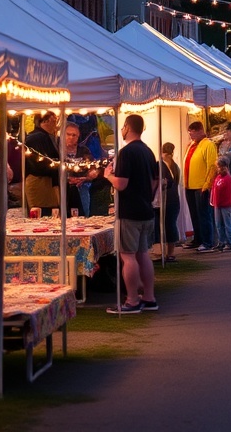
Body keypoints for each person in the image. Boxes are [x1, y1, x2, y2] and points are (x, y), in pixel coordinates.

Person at [103, 114, 158, 314]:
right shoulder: (148, 151)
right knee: (143, 254)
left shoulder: (126, 152)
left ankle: (132, 300)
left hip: (129, 212)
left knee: (128, 257)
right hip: (146, 209)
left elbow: (121, 183)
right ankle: (149, 297)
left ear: (127, 126)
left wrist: (108, 175)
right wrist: (147, 196)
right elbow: (155, 181)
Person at [184, 120, 218, 252]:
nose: (190, 135)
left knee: (204, 215)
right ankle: (198, 239)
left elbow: (212, 166)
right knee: (195, 214)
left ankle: (208, 241)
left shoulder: (208, 145)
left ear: (200, 131)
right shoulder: (192, 145)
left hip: (201, 186)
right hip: (190, 185)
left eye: (192, 132)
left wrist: (207, 184)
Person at [24, 111, 61, 216]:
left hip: (48, 182)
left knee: (51, 211)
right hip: (40, 182)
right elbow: (38, 163)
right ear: (46, 121)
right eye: (55, 120)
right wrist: (57, 165)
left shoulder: (46, 137)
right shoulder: (36, 137)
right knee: (43, 213)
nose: (56, 124)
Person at [63, 121, 102, 218]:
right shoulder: (57, 150)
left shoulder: (84, 151)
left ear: (78, 137)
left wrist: (88, 177)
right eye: (68, 134)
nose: (71, 137)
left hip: (81, 186)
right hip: (63, 188)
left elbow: (94, 167)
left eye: (74, 135)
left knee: (83, 214)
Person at [156, 142, 181, 262]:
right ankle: (170, 253)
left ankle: (164, 253)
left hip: (165, 199)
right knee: (171, 225)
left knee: (163, 226)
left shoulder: (160, 165)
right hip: (175, 199)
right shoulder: (175, 166)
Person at [210, 156, 231, 252]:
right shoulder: (218, 177)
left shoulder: (228, 179)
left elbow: (230, 193)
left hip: (226, 204)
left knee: (227, 224)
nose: (219, 169)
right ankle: (221, 241)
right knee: (218, 224)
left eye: (220, 167)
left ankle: (230, 242)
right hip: (218, 204)